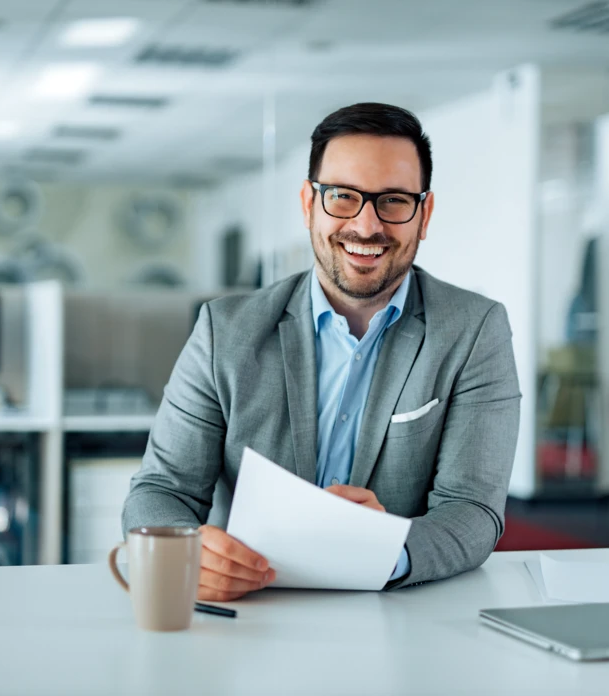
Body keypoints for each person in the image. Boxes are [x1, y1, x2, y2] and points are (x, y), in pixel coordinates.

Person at [123, 102, 521, 601]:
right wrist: (183, 550)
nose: (367, 225)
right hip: (249, 609)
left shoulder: (474, 330)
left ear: (425, 214)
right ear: (309, 205)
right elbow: (161, 489)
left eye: (394, 201)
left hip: (397, 615)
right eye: (342, 197)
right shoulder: (224, 331)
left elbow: (473, 510)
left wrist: (379, 552)